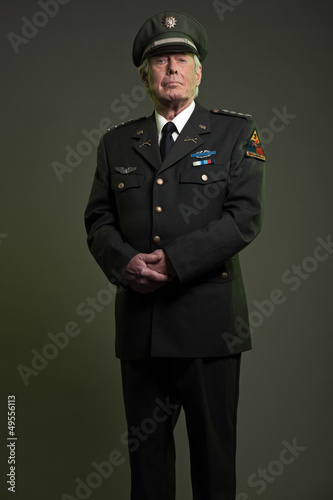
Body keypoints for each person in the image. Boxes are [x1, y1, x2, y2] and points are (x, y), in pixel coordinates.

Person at [84, 10, 265, 500]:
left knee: (213, 464)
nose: (171, 69)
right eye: (160, 60)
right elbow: (98, 220)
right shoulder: (116, 142)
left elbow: (244, 218)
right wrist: (124, 262)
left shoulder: (235, 134)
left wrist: (177, 261)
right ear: (145, 75)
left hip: (210, 329)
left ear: (198, 71)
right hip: (142, 332)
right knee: (148, 474)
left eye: (181, 58)